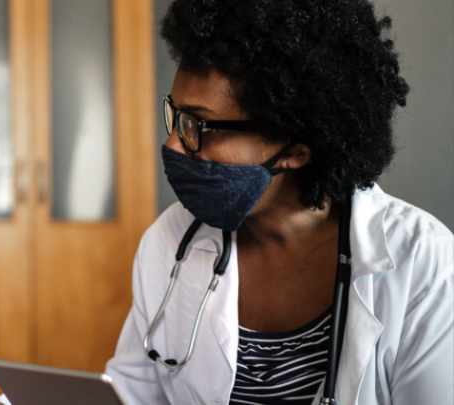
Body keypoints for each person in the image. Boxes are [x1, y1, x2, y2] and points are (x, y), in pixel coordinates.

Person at [105, 1, 453, 404]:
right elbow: (129, 394)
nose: (172, 145)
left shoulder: (425, 265)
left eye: (198, 125)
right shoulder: (169, 241)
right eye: (176, 117)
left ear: (296, 149)